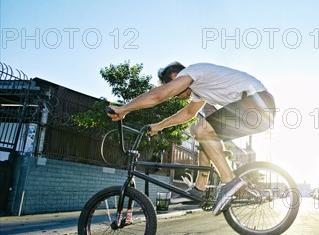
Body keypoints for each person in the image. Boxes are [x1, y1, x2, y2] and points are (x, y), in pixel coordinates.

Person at [107, 62, 276, 215]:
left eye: (172, 86)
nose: (174, 95)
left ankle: (230, 182)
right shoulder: (200, 89)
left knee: (201, 129)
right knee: (205, 138)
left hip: (256, 103)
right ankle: (199, 189)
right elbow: (188, 113)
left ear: (175, 77)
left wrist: (124, 109)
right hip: (258, 109)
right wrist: (158, 126)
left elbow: (160, 95)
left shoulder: (192, 71)